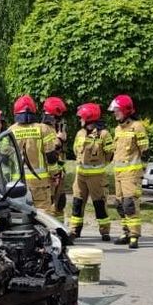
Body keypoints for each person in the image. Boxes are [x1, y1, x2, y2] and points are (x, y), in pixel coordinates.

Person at [69, 103, 113, 241]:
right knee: (77, 202)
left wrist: (98, 165)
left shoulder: (104, 134)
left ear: (89, 118)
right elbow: (76, 151)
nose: (79, 119)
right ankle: (75, 230)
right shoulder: (80, 133)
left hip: (97, 177)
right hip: (80, 176)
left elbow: (110, 154)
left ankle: (105, 231)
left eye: (81, 117)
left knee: (99, 204)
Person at [8, 95, 59, 216]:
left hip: (17, 183)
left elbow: (5, 156)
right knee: (43, 214)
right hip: (39, 182)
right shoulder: (43, 129)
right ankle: (43, 234)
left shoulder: (10, 130)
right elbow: (50, 155)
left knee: (19, 213)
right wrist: (54, 174)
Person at [109, 94, 148, 248]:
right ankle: (126, 232)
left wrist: (142, 171)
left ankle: (134, 235)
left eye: (117, 110)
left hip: (131, 174)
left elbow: (145, 151)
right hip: (118, 173)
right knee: (120, 205)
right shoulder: (118, 128)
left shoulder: (137, 126)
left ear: (126, 110)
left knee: (130, 204)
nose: (114, 113)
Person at [42, 96, 69, 217]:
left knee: (60, 203)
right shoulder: (43, 128)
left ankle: (60, 230)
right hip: (49, 173)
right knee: (50, 203)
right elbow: (48, 150)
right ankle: (52, 230)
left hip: (60, 170)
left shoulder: (57, 127)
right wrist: (59, 139)